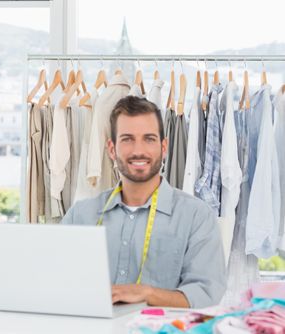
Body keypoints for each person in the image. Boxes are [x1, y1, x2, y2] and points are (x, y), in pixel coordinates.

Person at [61, 96, 226, 309]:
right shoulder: (80, 215)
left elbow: (206, 294)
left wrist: (147, 293)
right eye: (127, 139)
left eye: (149, 139)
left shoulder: (196, 217)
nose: (138, 150)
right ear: (112, 149)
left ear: (163, 147)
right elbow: (57, 279)